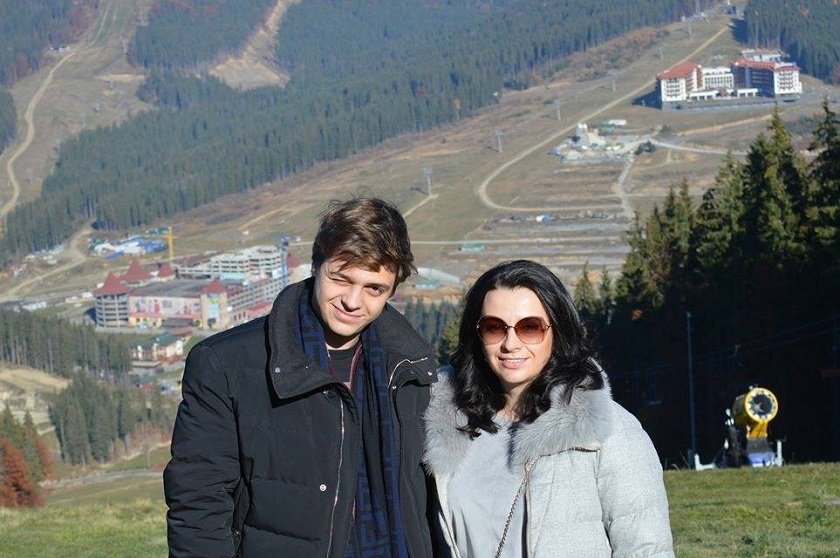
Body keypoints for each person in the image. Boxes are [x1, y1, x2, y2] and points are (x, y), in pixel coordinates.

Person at [164, 197, 440, 558]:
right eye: (340, 279)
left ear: (393, 289)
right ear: (315, 266)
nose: (352, 301)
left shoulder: (412, 368)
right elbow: (198, 504)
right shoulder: (225, 364)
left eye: (374, 288)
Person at [424, 260, 674, 558]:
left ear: (558, 331)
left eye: (530, 327)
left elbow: (647, 550)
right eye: (494, 328)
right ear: (476, 335)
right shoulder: (451, 430)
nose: (510, 344)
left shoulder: (609, 432)